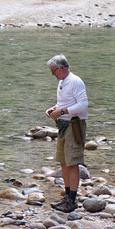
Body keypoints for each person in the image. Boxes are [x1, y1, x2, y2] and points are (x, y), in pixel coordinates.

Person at [46, 54, 88, 213]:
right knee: (63, 162)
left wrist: (62, 111)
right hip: (63, 126)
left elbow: (83, 105)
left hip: (74, 126)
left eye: (54, 71)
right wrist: (53, 109)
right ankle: (67, 196)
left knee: (72, 163)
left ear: (62, 68)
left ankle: (72, 200)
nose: (53, 74)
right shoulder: (62, 82)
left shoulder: (75, 81)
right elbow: (63, 103)